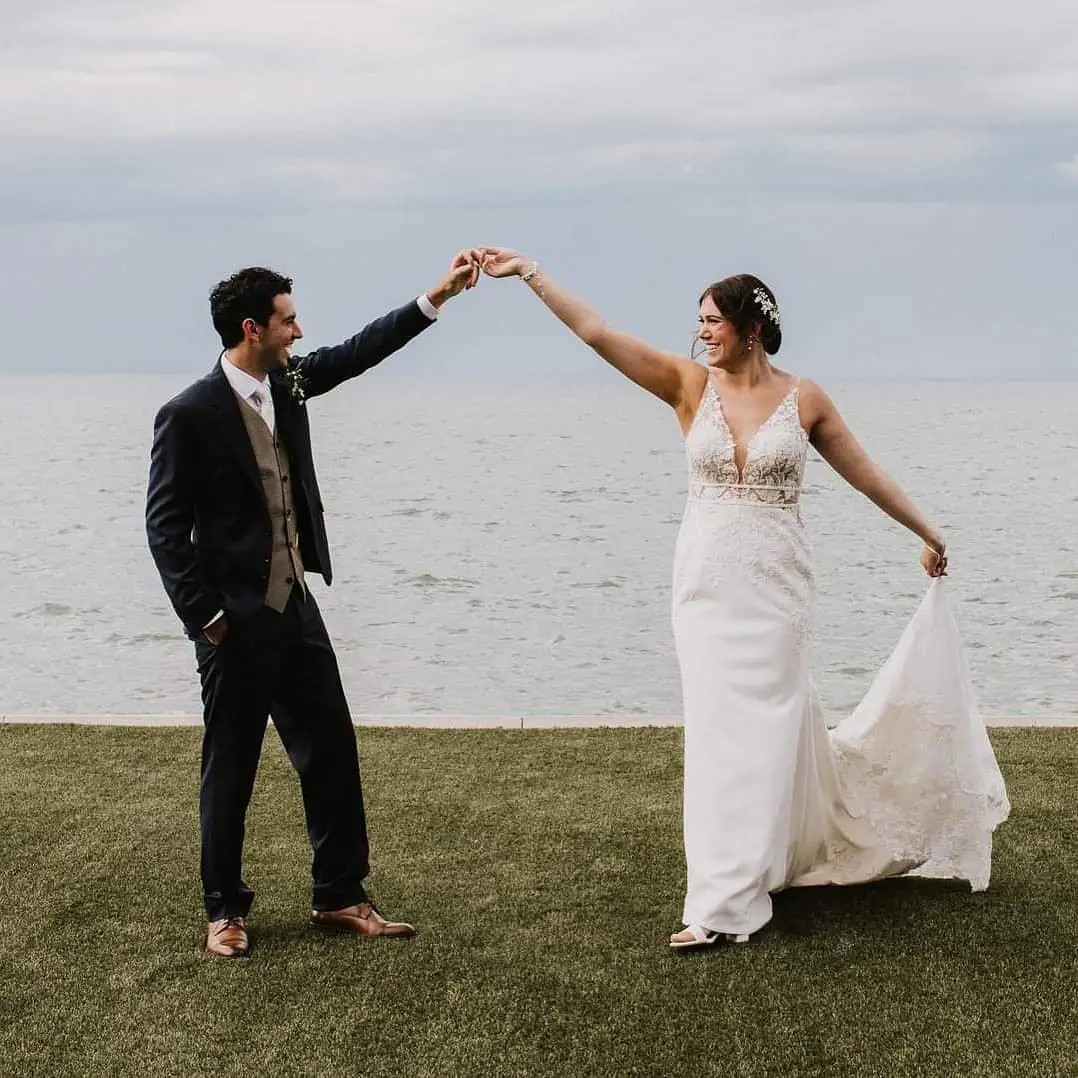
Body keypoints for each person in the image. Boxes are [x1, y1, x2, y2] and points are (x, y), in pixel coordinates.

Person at [477, 248, 1010, 949]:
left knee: (770, 732)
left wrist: (928, 531)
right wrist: (531, 274)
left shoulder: (806, 398)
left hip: (778, 589)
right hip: (704, 588)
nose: (702, 333)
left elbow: (864, 472)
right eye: (697, 322)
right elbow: (597, 333)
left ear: (750, 328)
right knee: (720, 737)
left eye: (712, 322)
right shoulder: (685, 384)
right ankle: (724, 902)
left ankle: (765, 864)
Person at [146, 252, 480, 957]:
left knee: (331, 748)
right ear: (251, 329)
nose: (299, 331)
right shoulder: (187, 415)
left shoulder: (288, 383)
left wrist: (437, 296)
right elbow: (164, 528)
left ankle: (340, 896)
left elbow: (359, 352)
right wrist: (205, 618)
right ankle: (224, 913)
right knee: (231, 766)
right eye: (288, 320)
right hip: (232, 624)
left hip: (296, 605)